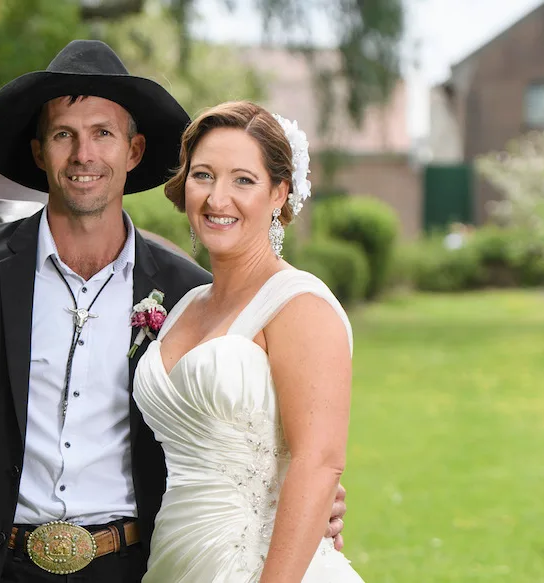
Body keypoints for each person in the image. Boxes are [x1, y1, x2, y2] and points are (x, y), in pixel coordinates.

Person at [0, 41, 348, 581]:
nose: (84, 155)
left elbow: (243, 426)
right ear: (38, 153)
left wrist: (306, 490)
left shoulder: (186, 294)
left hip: (132, 564)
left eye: (103, 133)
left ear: (134, 149)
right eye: (63, 135)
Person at [132, 101, 363, 582]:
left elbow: (318, 463)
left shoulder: (300, 305)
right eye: (203, 175)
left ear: (279, 192)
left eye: (243, 179)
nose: (218, 199)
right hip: (175, 561)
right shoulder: (184, 306)